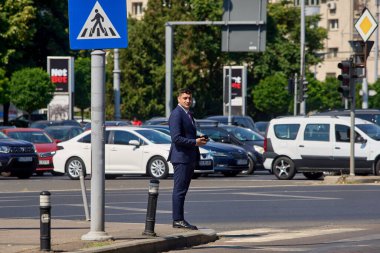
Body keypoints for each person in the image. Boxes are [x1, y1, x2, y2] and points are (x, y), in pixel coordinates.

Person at [167, 88, 208, 230]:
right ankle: (177, 219)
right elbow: (176, 138)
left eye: (189, 98)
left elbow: (188, 135)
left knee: (182, 190)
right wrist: (195, 142)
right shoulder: (176, 114)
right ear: (178, 99)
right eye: (185, 98)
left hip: (188, 157)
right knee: (179, 190)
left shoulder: (188, 114)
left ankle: (179, 219)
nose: (188, 100)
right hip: (181, 158)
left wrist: (199, 140)